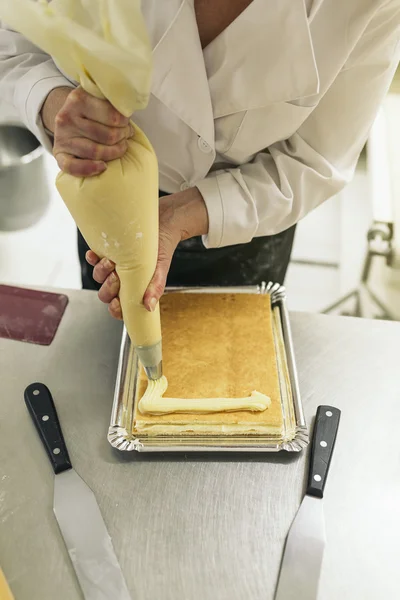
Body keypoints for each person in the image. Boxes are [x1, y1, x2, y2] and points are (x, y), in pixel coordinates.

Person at [0, 1, 399, 319]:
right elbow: (12, 37)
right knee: (109, 359)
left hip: (251, 220)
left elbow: (316, 161)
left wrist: (179, 216)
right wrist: (53, 103)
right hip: (111, 199)